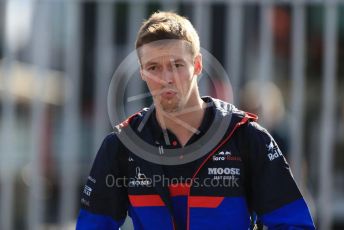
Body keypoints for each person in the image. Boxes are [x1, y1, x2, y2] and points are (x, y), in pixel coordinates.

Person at [76, 11, 315, 230]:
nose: (166, 78)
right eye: (153, 67)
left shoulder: (246, 137)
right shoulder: (122, 145)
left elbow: (294, 224)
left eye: (177, 65)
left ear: (197, 65)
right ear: (141, 72)